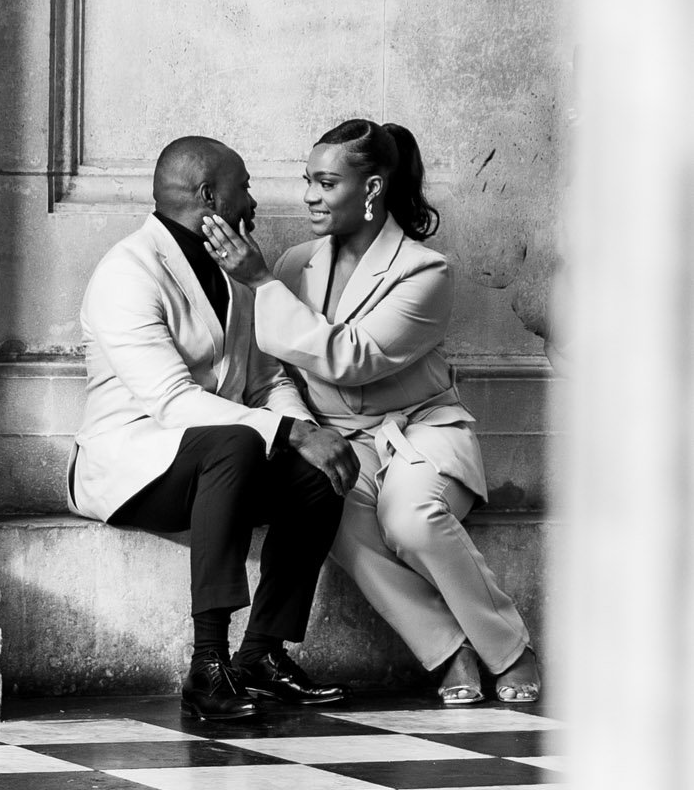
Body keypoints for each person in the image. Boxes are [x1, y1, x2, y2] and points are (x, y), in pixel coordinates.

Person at [201, 118, 541, 706]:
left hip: (422, 432)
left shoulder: (425, 271)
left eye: (326, 183)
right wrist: (303, 430)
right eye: (308, 180)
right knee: (333, 519)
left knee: (410, 520)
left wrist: (257, 280)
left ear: (373, 188)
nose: (310, 196)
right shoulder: (294, 264)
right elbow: (274, 370)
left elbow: (352, 358)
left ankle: (509, 648)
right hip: (341, 440)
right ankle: (447, 649)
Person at [68, 134, 358, 727]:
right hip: (133, 467)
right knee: (240, 441)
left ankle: (262, 654)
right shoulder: (127, 271)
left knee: (317, 473)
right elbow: (172, 402)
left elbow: (267, 381)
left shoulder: (237, 269)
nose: (252, 202)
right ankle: (207, 664)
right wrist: (291, 434)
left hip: (224, 462)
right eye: (243, 187)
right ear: (209, 195)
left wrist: (308, 432)